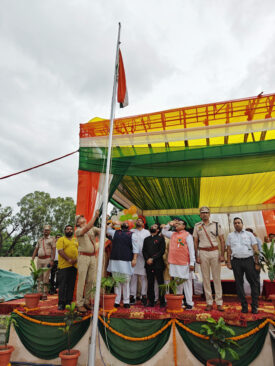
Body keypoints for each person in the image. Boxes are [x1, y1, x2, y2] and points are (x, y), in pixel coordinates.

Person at [193, 207, 225, 311]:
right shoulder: (197, 226)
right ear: (200, 215)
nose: (205, 214)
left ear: (209, 214)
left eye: (206, 212)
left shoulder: (216, 224)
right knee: (205, 278)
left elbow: (222, 240)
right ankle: (209, 302)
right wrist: (196, 255)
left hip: (215, 251)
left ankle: (219, 302)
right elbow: (195, 242)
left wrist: (222, 254)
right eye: (203, 213)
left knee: (217, 278)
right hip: (202, 252)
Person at [226, 217, 260, 314]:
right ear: (233, 225)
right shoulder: (230, 235)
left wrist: (257, 262)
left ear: (242, 224)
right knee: (239, 284)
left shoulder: (249, 234)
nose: (237, 224)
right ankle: (244, 306)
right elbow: (228, 249)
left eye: (239, 222)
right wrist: (228, 262)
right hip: (236, 261)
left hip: (249, 260)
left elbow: (255, 248)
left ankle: (254, 306)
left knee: (253, 283)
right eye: (235, 223)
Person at [162, 220, 195, 309]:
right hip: (174, 262)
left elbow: (192, 250)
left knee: (186, 283)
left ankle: (189, 303)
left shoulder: (188, 235)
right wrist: (169, 224)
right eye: (176, 224)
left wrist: (192, 263)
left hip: (184, 263)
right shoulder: (172, 234)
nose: (177, 225)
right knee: (177, 283)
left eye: (179, 224)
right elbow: (163, 232)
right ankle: (179, 302)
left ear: (184, 226)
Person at [107, 222, 138, 308]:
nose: (125, 223)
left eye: (126, 222)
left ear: (129, 226)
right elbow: (107, 229)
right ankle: (116, 301)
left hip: (126, 261)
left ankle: (126, 301)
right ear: (120, 226)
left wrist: (134, 259)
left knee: (126, 281)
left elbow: (136, 248)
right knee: (116, 281)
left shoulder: (133, 234)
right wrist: (113, 223)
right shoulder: (115, 232)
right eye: (123, 223)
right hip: (115, 260)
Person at [75, 210, 100, 313]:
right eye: (80, 218)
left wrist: (106, 222)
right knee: (82, 280)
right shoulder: (78, 230)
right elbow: (87, 228)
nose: (83, 218)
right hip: (83, 257)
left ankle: (87, 301)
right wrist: (95, 217)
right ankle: (79, 303)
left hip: (92, 257)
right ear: (77, 223)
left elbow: (101, 231)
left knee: (91, 280)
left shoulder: (92, 228)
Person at [142, 223, 166, 307]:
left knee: (160, 283)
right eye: (152, 226)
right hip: (148, 264)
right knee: (150, 283)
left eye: (155, 226)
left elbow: (161, 251)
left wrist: (152, 258)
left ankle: (162, 301)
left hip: (158, 264)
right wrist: (147, 259)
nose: (152, 227)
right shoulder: (146, 239)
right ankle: (151, 301)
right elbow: (144, 251)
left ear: (158, 230)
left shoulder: (161, 239)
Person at [56, 225, 78, 310]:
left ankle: (68, 302)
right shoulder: (61, 239)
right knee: (62, 285)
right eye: (67, 229)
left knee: (71, 285)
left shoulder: (75, 240)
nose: (69, 230)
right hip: (64, 266)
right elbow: (60, 251)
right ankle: (61, 303)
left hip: (74, 266)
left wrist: (75, 260)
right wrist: (68, 259)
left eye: (71, 229)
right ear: (64, 231)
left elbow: (78, 250)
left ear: (73, 231)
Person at [31, 225, 56, 300]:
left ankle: (45, 293)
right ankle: (39, 293)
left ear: (50, 231)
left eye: (47, 230)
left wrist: (52, 260)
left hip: (47, 259)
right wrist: (32, 258)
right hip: (39, 259)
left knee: (46, 277)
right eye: (45, 230)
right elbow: (36, 249)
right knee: (39, 276)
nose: (46, 231)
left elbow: (54, 250)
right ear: (43, 231)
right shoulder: (39, 240)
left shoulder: (52, 239)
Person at [129, 218, 150, 305]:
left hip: (143, 257)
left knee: (143, 277)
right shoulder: (131, 231)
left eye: (140, 221)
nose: (138, 222)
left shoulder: (147, 232)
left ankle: (143, 296)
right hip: (133, 256)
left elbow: (149, 244)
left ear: (143, 223)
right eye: (137, 220)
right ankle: (132, 296)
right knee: (133, 277)